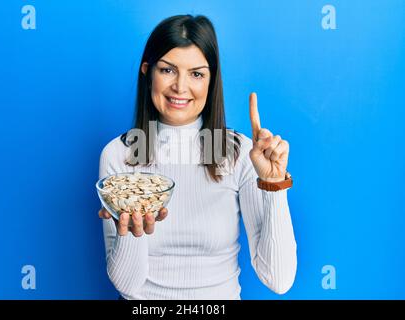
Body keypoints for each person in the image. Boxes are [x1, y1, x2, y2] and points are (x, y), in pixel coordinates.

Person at [98, 14, 297, 300]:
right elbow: (128, 286)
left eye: (196, 74)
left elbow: (278, 280)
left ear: (211, 81)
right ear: (147, 71)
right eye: (167, 70)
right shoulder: (118, 155)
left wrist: (274, 185)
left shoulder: (240, 154)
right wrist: (132, 232)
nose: (180, 86)